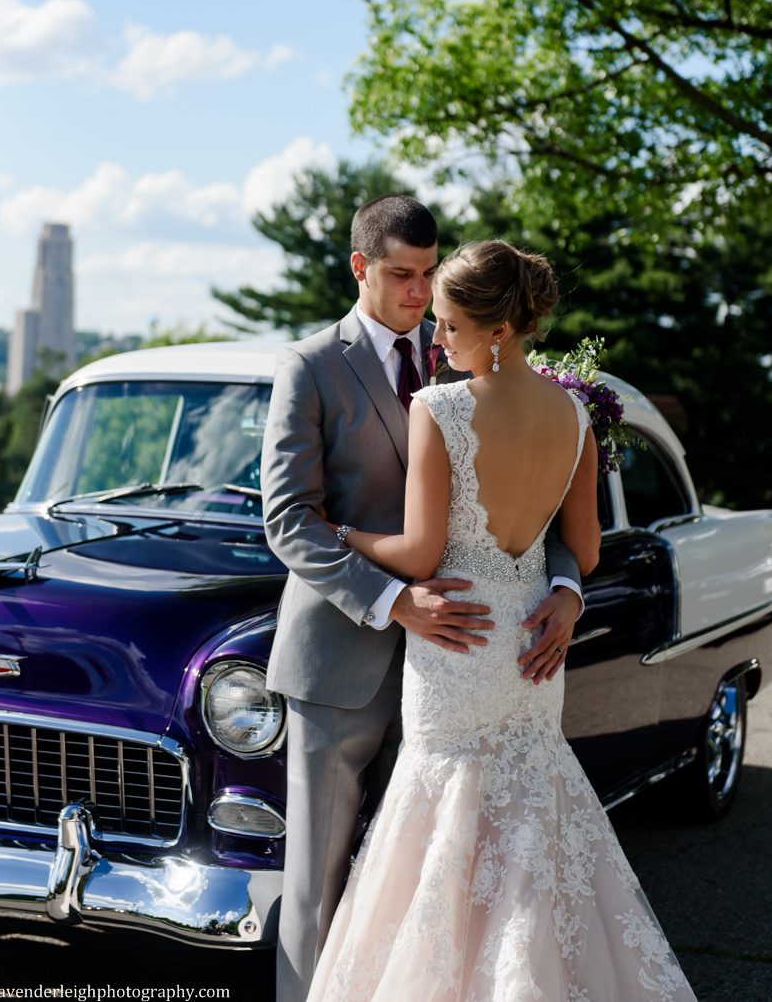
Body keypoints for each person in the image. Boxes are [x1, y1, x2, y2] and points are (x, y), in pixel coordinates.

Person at [306, 239, 697, 1002]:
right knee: (526, 838)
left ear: (497, 331)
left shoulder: (440, 410)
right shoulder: (577, 414)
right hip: (528, 645)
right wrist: (566, 592)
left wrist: (340, 530)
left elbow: (420, 555)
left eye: (448, 326)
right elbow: (582, 549)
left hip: (457, 643)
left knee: (438, 829)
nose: (435, 340)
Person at [261, 200, 585, 1002]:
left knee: (445, 874)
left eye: (428, 275)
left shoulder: (466, 356)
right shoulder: (309, 365)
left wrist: (569, 588)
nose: (418, 294)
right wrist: (390, 601)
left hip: (467, 663)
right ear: (360, 268)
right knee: (320, 883)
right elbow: (288, 518)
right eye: (402, 275)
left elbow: (541, 518)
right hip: (345, 655)